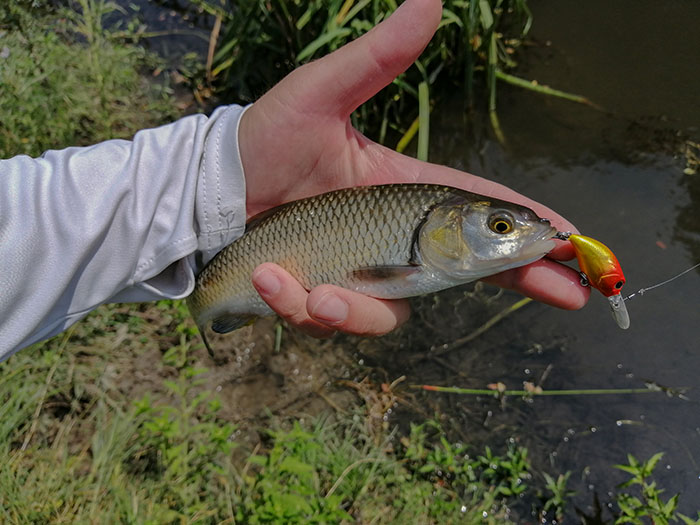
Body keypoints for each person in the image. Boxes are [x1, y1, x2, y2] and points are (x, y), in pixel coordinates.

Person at [0, 0, 588, 359]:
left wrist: (213, 179)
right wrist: (204, 192)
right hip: (231, 267)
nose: (511, 235)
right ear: (442, 232)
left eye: (503, 227)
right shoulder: (419, 253)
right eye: (503, 226)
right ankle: (213, 306)